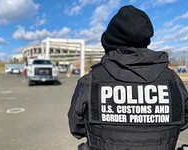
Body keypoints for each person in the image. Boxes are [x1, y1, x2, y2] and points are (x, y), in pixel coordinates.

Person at [68, 5, 188, 150]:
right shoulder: (172, 79)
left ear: (110, 42)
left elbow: (76, 127)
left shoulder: (91, 80)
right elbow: (183, 122)